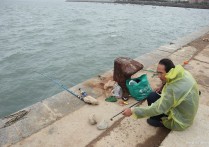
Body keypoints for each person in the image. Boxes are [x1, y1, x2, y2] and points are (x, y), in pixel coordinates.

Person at [122, 58, 199, 131]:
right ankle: (158, 117)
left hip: (181, 121)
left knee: (152, 98)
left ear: (169, 72)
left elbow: (158, 108)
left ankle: (161, 121)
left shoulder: (173, 89)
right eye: (157, 73)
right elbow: (170, 81)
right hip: (187, 111)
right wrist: (162, 85)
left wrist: (133, 111)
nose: (158, 76)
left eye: (161, 73)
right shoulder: (183, 73)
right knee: (153, 95)